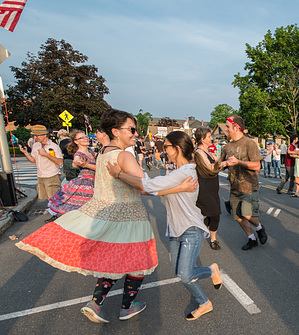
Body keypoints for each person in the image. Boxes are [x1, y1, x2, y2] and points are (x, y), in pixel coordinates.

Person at [16, 109, 191, 323]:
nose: (135, 134)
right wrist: (179, 187)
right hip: (129, 215)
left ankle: (97, 303)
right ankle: (127, 305)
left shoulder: (103, 152)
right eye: (132, 130)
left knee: (114, 260)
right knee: (139, 260)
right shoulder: (123, 155)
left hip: (105, 211)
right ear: (116, 131)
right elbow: (146, 187)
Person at [107, 131, 223, 320]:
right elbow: (152, 191)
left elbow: (149, 186)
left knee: (185, 275)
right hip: (174, 229)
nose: (164, 150)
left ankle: (205, 299)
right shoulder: (179, 173)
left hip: (190, 229)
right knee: (179, 272)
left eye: (167, 146)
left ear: (177, 148)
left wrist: (119, 174)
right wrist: (179, 188)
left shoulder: (185, 172)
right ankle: (210, 276)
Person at [220, 115, 268, 250]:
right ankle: (251, 239)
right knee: (239, 217)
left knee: (247, 214)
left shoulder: (249, 143)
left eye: (228, 127)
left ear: (236, 127)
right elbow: (221, 163)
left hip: (249, 187)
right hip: (234, 187)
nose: (226, 129)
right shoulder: (228, 146)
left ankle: (259, 228)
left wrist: (238, 162)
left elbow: (257, 166)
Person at [45, 130, 97, 222]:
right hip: (87, 183)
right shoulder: (78, 154)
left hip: (96, 181)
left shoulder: (90, 151)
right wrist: (76, 163)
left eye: (85, 137)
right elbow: (76, 161)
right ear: (76, 141)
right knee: (85, 208)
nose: (85, 139)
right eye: (82, 138)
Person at [193, 126, 223, 250]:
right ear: (202, 139)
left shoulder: (207, 151)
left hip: (212, 188)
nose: (212, 138)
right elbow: (209, 168)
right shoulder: (198, 152)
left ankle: (209, 237)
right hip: (204, 188)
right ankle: (210, 239)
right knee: (211, 214)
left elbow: (218, 161)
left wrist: (224, 161)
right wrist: (223, 164)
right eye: (209, 136)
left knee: (212, 214)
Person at [19, 125, 63, 200]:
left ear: (45, 135)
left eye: (38, 135)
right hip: (41, 176)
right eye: (34, 135)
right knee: (43, 198)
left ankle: (54, 211)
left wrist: (46, 154)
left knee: (54, 199)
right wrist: (25, 153)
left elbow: (60, 162)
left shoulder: (53, 146)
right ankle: (49, 210)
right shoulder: (36, 145)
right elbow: (33, 161)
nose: (35, 137)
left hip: (52, 175)